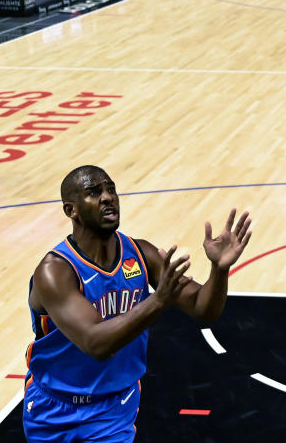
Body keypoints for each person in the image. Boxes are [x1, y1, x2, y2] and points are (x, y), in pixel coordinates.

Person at [23, 165, 252, 443]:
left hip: (113, 409)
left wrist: (219, 270)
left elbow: (204, 310)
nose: (108, 197)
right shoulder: (55, 271)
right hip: (54, 408)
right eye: (94, 193)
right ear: (71, 210)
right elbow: (96, 344)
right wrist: (158, 300)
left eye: (111, 189)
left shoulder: (140, 253)